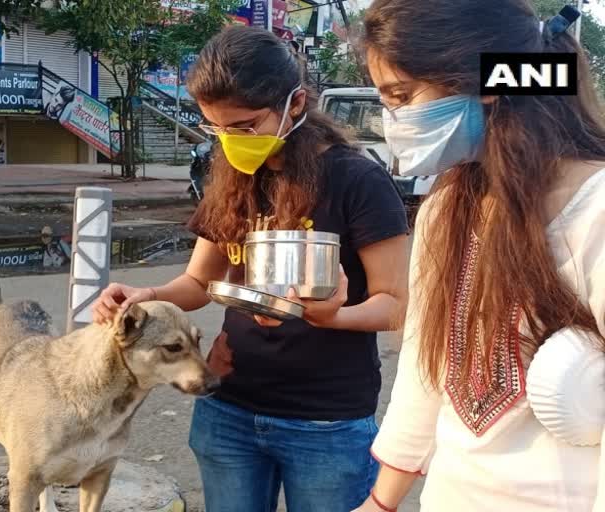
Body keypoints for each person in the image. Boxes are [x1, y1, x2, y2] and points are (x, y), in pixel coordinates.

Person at [92, 25, 410, 511]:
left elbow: (395, 305)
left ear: (296, 104)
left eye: (244, 126)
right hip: (230, 410)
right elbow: (199, 283)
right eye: (216, 128)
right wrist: (144, 295)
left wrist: (332, 316)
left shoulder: (358, 181)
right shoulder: (232, 175)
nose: (231, 140)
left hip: (325, 421)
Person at [353, 1, 605, 511]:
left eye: (402, 95)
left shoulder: (595, 210)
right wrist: (380, 502)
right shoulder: (448, 205)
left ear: (488, 83)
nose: (393, 119)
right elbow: (426, 369)